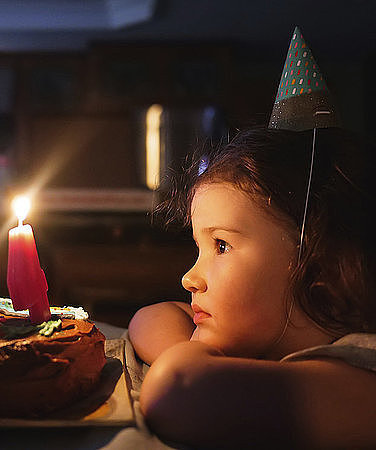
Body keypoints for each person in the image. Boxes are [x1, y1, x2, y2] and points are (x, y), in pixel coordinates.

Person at [128, 126, 376, 448]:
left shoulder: (360, 378)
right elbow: (152, 316)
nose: (189, 278)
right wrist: (196, 354)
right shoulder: (268, 338)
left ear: (323, 265)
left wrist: (195, 365)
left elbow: (178, 391)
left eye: (221, 246)